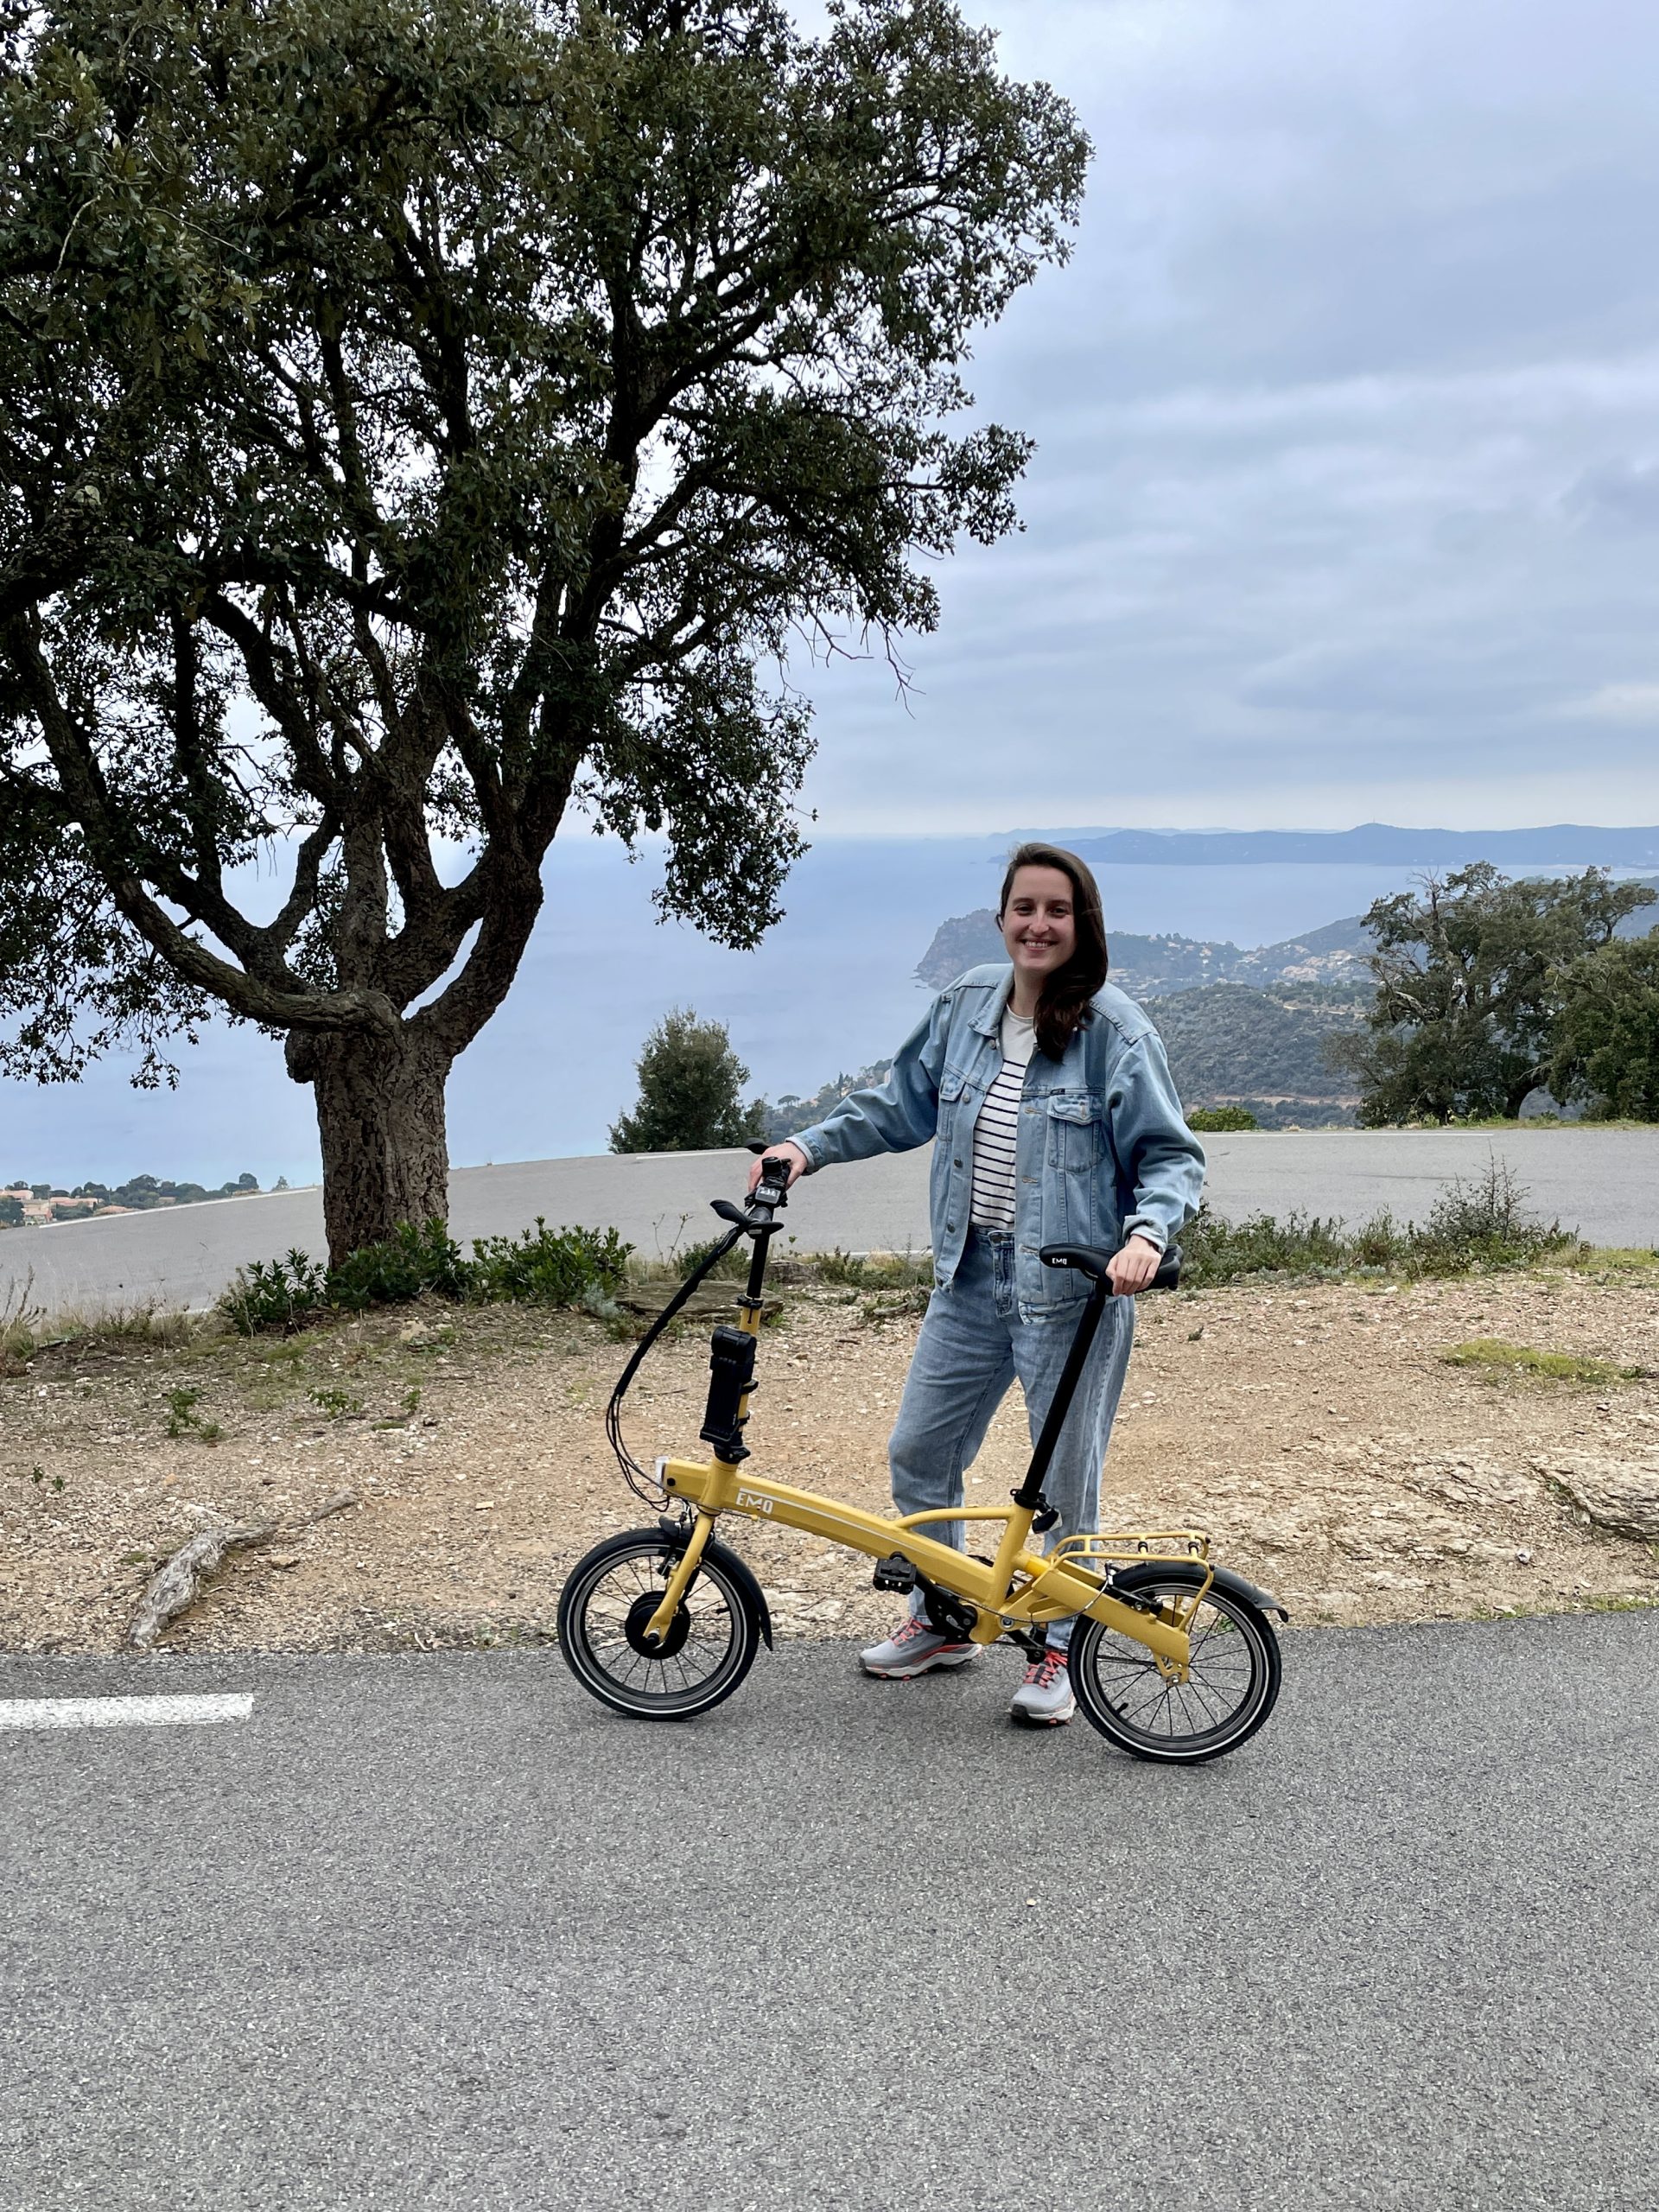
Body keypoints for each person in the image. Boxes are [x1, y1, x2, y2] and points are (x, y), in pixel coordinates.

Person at [749, 842, 1205, 1727]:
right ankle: (947, 1615)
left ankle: (1060, 1646)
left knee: (1065, 1486)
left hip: (1071, 1296)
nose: (1039, 924)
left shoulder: (1115, 1032)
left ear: (1081, 926)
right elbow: (897, 1104)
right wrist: (805, 1147)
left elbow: (1170, 1157)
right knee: (920, 1452)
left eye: (1057, 911)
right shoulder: (964, 1008)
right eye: (1025, 908)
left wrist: (1146, 1235)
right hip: (967, 1278)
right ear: (1001, 919)